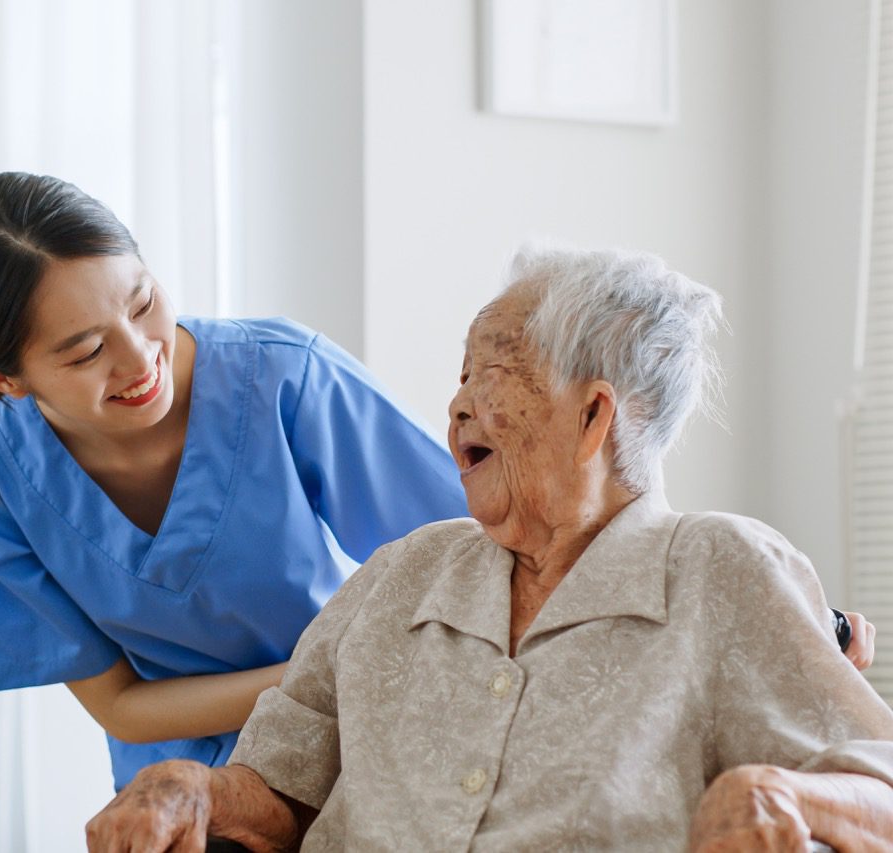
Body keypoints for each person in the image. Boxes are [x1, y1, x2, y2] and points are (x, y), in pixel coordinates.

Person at [85, 246, 893, 852]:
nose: (458, 403)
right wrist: (194, 787)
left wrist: (782, 793)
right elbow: (279, 793)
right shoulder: (402, 574)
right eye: (461, 373)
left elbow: (880, 787)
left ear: (593, 414)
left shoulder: (720, 570)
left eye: (493, 373)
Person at [0, 173, 468, 791]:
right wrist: (336, 670)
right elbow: (121, 708)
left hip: (359, 743)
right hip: (183, 786)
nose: (140, 359)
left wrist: (355, 679)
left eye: (142, 304)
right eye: (85, 353)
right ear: (4, 378)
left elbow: (470, 548)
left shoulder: (284, 373)